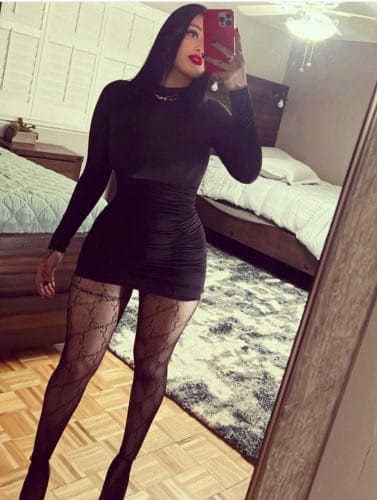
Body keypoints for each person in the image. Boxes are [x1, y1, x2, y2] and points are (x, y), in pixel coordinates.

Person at [20, 3, 261, 499]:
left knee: (151, 369)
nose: (200, 45)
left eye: (208, 37)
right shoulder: (119, 97)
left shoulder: (212, 113)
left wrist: (238, 89)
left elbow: (248, 170)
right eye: (191, 33)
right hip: (114, 240)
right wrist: (58, 244)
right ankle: (37, 468)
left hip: (179, 252)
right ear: (170, 37)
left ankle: (120, 473)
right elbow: (94, 175)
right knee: (78, 362)